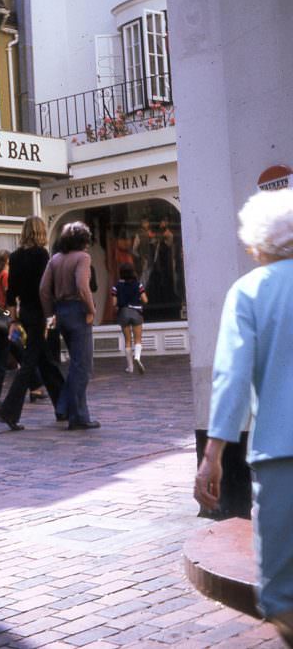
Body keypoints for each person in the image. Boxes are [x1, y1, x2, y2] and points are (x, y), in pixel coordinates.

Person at [194, 189, 293, 647]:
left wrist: (213, 454)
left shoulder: (249, 291)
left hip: (279, 452)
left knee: (282, 590)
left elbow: (231, 377)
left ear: (256, 245)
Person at [0, 217, 65, 431]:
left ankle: (65, 407)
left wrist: (14, 319)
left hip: (24, 312)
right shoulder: (41, 255)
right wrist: (48, 317)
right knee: (30, 364)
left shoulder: (15, 257)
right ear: (40, 232)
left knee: (47, 363)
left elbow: (11, 292)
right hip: (40, 313)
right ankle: (8, 412)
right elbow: (45, 288)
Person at [40, 221, 100, 430]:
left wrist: (50, 314)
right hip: (77, 311)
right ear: (83, 240)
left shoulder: (55, 259)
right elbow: (83, 286)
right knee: (82, 366)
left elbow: (44, 290)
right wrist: (91, 310)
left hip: (60, 312)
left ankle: (65, 406)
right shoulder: (83, 257)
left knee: (76, 364)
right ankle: (78, 416)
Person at [0, 249, 47, 410]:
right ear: (6, 262)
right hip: (6, 320)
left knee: (20, 352)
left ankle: (35, 387)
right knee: (3, 357)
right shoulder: (5, 277)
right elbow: (10, 296)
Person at [111, 262, 149, 374]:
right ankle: (137, 357)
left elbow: (114, 303)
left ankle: (130, 367)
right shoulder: (138, 284)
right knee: (138, 339)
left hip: (123, 313)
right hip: (136, 312)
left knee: (127, 340)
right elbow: (145, 300)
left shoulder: (116, 286)